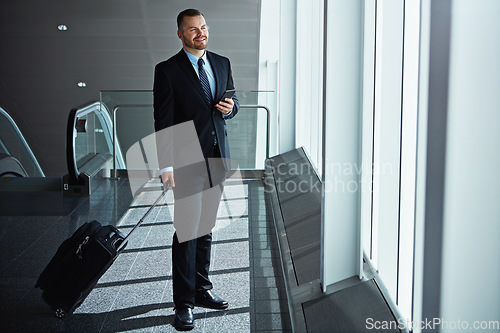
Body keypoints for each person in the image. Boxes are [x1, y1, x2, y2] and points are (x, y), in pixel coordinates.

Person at [153, 8, 239, 331]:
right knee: (187, 232)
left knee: (206, 227)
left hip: (218, 159)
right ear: (180, 34)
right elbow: (162, 121)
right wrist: (166, 165)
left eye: (203, 27)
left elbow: (229, 102)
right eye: (192, 29)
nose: (200, 33)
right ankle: (184, 303)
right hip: (186, 163)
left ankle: (202, 289)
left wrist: (232, 108)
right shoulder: (167, 71)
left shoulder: (221, 63)